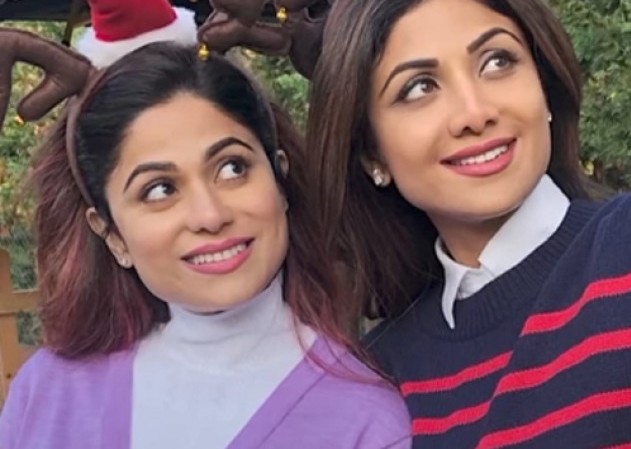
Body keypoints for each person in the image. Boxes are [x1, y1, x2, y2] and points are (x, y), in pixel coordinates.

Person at [306, 0, 631, 448]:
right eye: (418, 88)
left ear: (545, 87)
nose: (475, 112)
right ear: (372, 153)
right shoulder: (375, 385)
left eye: (498, 61)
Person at [0, 40, 410, 448]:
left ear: (280, 179)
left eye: (232, 168)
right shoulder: (48, 393)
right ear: (113, 235)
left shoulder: (366, 420)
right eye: (160, 190)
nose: (210, 215)